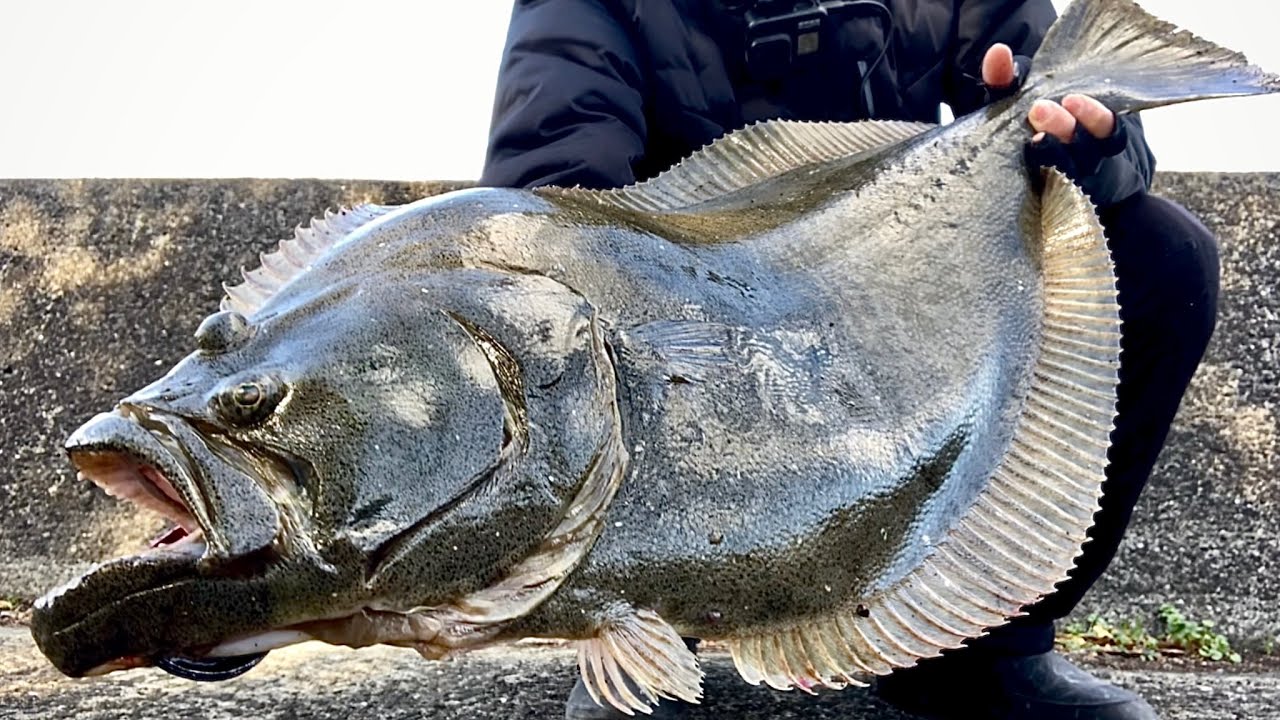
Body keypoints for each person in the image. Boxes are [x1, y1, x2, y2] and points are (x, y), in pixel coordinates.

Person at [479, 2, 1220, 719]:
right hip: (680, 343)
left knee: (1162, 256)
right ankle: (638, 627)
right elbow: (548, 203)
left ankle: (980, 645)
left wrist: (1080, 146)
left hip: (891, 301)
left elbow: (1082, 125)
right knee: (564, 346)